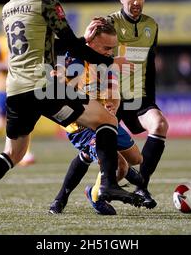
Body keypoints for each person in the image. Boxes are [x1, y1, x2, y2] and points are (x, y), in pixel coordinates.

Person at [0, 0, 142, 220]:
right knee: (106, 119)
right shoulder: (47, 3)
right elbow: (70, 45)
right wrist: (109, 59)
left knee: (12, 154)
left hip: (15, 89)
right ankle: (107, 183)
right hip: (43, 86)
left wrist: (84, 40)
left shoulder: (8, 8)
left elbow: (47, 44)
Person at [49, 19, 144, 215]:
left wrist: (114, 103)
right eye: (106, 47)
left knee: (136, 158)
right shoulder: (75, 59)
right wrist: (61, 79)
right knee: (120, 165)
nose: (110, 52)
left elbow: (113, 87)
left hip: (104, 120)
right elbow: (62, 85)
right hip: (81, 124)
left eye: (113, 48)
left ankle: (63, 195)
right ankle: (95, 196)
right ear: (91, 43)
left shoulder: (106, 61)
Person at [107, 0, 169, 209]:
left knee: (160, 124)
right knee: (109, 161)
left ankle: (142, 187)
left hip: (139, 97)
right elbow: (95, 59)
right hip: (111, 98)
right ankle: (68, 195)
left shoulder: (151, 26)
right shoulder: (109, 23)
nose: (136, 2)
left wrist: (152, 101)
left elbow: (150, 65)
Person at [0, 35, 35, 166]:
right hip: (4, 88)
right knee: (1, 120)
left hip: (22, 86)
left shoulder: (25, 39)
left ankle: (25, 153)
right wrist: (7, 65)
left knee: (26, 119)